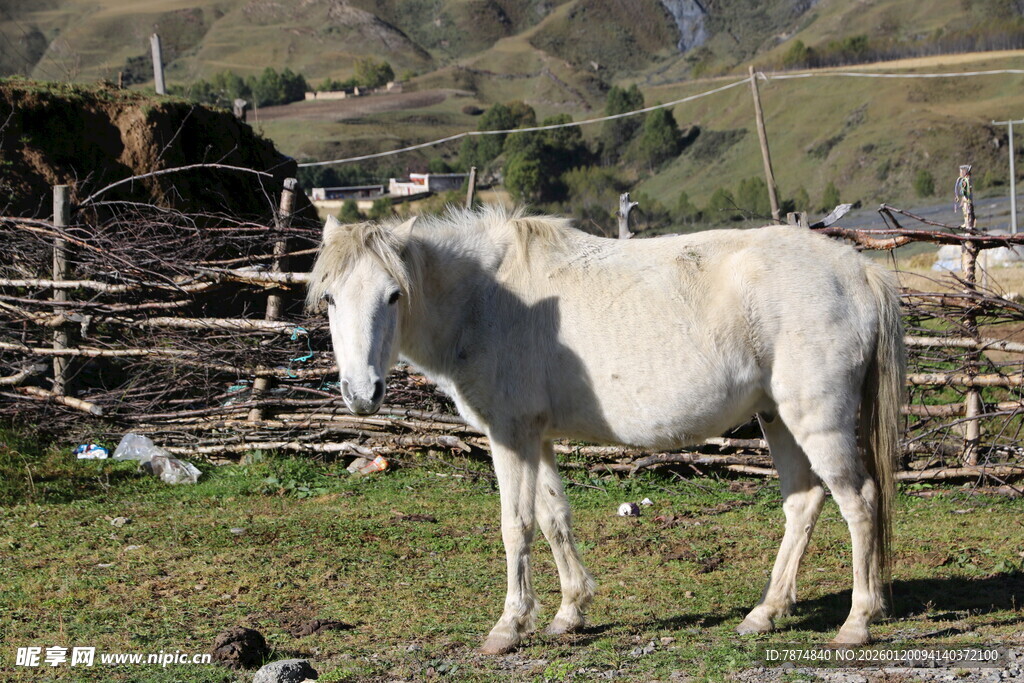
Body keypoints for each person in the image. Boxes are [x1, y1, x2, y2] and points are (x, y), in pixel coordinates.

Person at [954, 164, 975, 230]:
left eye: (961, 172)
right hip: (965, 199)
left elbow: (966, 191)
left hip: (967, 200)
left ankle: (969, 225)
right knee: (965, 212)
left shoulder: (966, 180)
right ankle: (966, 223)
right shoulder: (962, 180)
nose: (960, 173)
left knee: (968, 212)